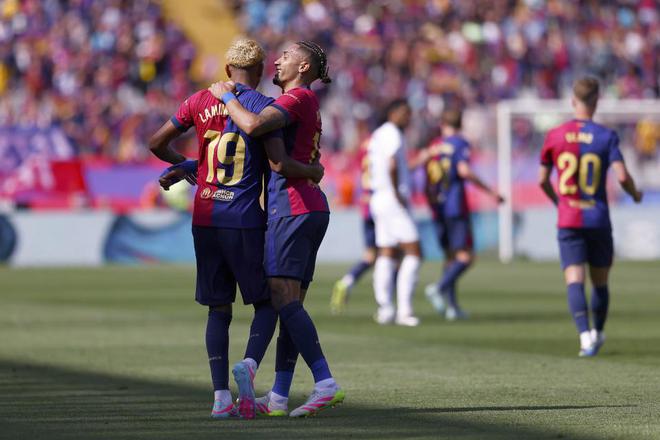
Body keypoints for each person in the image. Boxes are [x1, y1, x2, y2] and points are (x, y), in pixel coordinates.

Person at [149, 39, 322, 419]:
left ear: (227, 69)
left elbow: (156, 143)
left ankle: (219, 399)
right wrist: (312, 169)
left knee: (218, 308)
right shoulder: (262, 106)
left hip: (204, 216)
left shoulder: (197, 101)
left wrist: (189, 167)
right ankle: (248, 364)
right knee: (268, 302)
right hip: (243, 217)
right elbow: (276, 162)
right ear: (260, 72)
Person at [209, 41, 344, 417]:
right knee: (291, 304)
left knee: (282, 299)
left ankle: (325, 383)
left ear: (303, 67)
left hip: (293, 209)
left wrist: (226, 96)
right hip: (308, 207)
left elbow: (253, 126)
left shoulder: (295, 98)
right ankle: (279, 396)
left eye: (286, 56)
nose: (278, 60)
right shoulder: (303, 101)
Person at [538, 77, 642, 356]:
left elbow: (542, 180)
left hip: (568, 217)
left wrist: (558, 201)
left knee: (574, 278)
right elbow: (622, 176)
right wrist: (635, 194)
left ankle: (584, 336)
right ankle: (598, 331)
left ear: (573, 101)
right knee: (600, 282)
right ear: (597, 101)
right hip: (597, 217)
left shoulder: (555, 135)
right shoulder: (606, 136)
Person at [422, 109, 504, 320]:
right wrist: (491, 191)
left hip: (437, 207)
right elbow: (464, 170)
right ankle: (438, 288)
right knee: (466, 257)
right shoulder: (460, 143)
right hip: (455, 205)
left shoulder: (434, 145)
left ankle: (452, 307)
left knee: (451, 258)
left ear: (442, 124)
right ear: (460, 124)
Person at [367, 99, 422, 327]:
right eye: (405, 113)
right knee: (414, 251)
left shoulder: (378, 134)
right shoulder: (392, 133)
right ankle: (405, 311)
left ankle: (385, 309)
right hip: (391, 199)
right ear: (393, 113)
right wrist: (398, 192)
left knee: (387, 252)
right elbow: (392, 165)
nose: (408, 118)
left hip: (379, 197)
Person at [330, 137, 378, 314]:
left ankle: (346, 283)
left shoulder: (365, 145)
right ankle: (387, 304)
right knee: (394, 255)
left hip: (366, 205)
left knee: (372, 256)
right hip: (380, 206)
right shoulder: (384, 141)